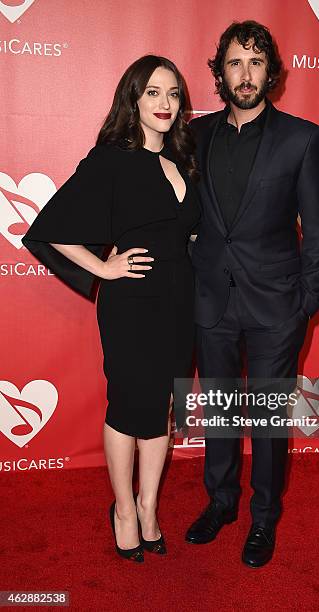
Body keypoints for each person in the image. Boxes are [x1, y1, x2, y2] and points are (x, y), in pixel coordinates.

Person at [22, 56, 200, 563]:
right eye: (152, 93)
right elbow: (51, 228)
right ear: (133, 99)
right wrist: (103, 269)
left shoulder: (186, 159)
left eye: (172, 94)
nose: (165, 104)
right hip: (132, 305)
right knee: (128, 407)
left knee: (164, 407)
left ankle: (148, 508)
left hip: (180, 301)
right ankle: (123, 510)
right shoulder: (110, 159)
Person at [185, 21, 319, 567]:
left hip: (277, 305)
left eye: (254, 63)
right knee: (221, 412)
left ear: (270, 71)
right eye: (233, 63)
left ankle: (263, 517)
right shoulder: (195, 137)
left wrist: (306, 302)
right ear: (219, 73)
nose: (244, 75)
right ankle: (220, 503)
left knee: (269, 421)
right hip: (211, 302)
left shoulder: (303, 138)